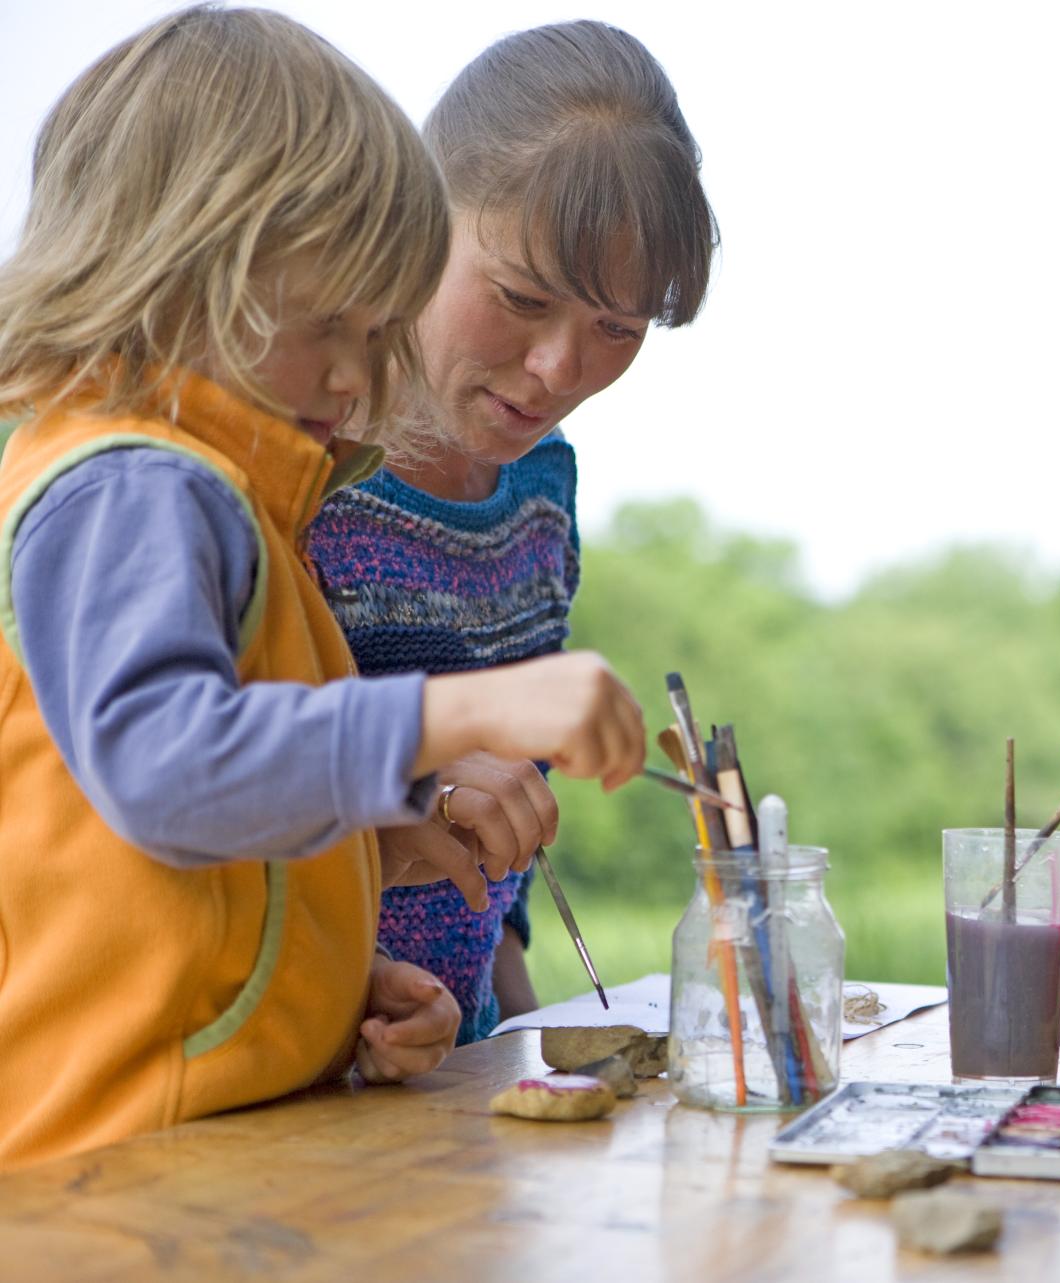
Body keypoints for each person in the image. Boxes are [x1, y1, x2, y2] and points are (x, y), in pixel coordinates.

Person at [0, 7, 651, 1170]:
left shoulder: (243, 500)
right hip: (110, 1175)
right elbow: (165, 766)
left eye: (378, 327)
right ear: (189, 267)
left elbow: (199, 860)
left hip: (216, 1150)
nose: (359, 376)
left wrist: (339, 977)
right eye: (331, 323)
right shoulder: (128, 484)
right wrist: (467, 708)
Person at [306, 20, 717, 1043]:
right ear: (418, 223)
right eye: (522, 297)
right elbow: (191, 796)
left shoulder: (540, 486)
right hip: (290, 1065)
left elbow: (502, 864)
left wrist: (530, 1049)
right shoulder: (301, 467)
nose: (558, 368)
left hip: (453, 1070)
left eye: (618, 327)